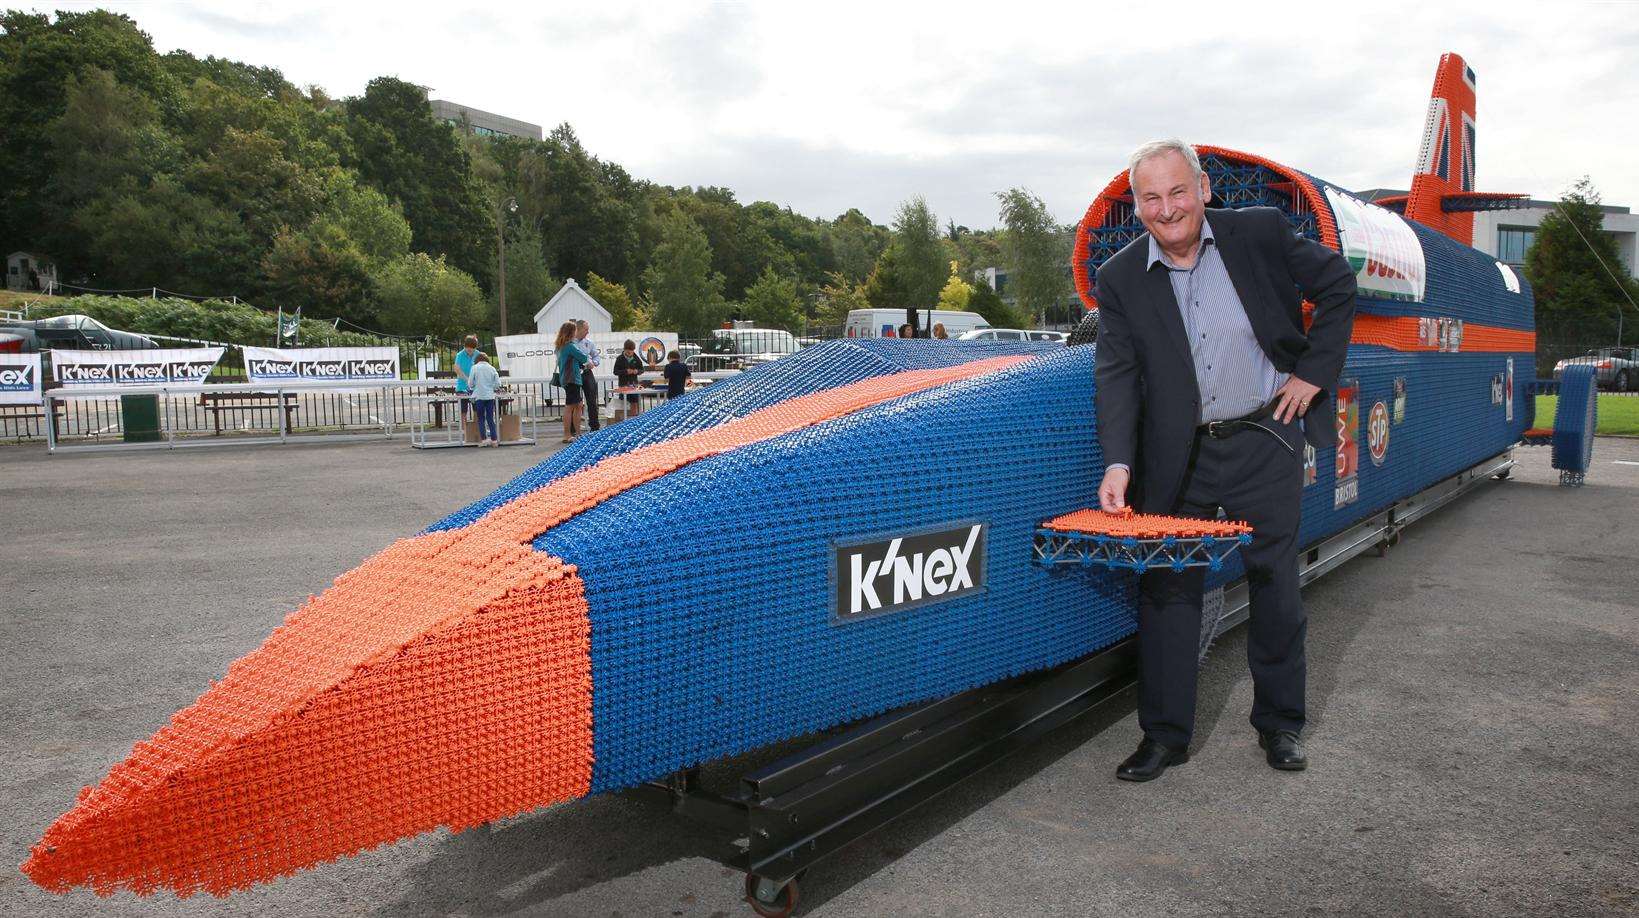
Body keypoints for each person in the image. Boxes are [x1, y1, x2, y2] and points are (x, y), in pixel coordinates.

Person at [1093, 139, 1356, 782]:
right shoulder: (1120, 278)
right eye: (1151, 198)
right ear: (1136, 207)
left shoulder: (1260, 233)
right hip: (1177, 457)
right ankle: (1163, 738)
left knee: (1275, 586)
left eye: (1177, 191)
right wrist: (1118, 462)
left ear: (1204, 189)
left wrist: (1311, 376)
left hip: (1265, 439)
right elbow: (1118, 376)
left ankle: (1281, 726)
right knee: (1167, 592)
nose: (1167, 208)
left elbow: (1338, 286)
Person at [555, 321, 587, 443]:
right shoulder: (570, 346)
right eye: (575, 331)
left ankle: (576, 433)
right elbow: (583, 357)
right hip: (572, 379)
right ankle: (568, 434)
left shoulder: (560, 346)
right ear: (571, 332)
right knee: (570, 406)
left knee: (577, 405)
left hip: (567, 379)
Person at [467, 352, 502, 446]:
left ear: (477, 360)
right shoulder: (492, 368)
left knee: (481, 418)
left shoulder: (474, 367)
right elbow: (498, 383)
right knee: (490, 418)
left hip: (479, 396)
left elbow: (470, 383)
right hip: (490, 396)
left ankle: (484, 440)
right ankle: (494, 440)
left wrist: (474, 386)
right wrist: (492, 388)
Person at [574, 320, 602, 432]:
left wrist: (594, 363)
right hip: (575, 372)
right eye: (586, 329)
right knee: (574, 401)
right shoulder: (570, 342)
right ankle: (573, 428)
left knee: (591, 400)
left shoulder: (589, 343)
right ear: (579, 329)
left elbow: (596, 356)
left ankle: (595, 426)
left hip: (587, 372)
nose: (587, 332)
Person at [615, 339, 646, 418]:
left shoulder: (636, 358)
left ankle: (634, 418)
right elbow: (615, 371)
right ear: (624, 349)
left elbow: (642, 369)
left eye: (631, 351)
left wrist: (636, 371)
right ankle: (623, 421)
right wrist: (625, 371)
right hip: (623, 385)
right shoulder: (619, 359)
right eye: (627, 351)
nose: (629, 352)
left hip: (634, 385)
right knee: (623, 404)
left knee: (634, 402)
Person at [453, 335, 479, 419]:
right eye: (468, 347)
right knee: (463, 411)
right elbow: (457, 369)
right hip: (462, 386)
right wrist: (467, 379)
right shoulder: (460, 355)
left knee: (477, 410)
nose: (469, 350)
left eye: (472, 348)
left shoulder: (478, 354)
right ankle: (464, 430)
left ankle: (476, 429)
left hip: (475, 387)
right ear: (465, 346)